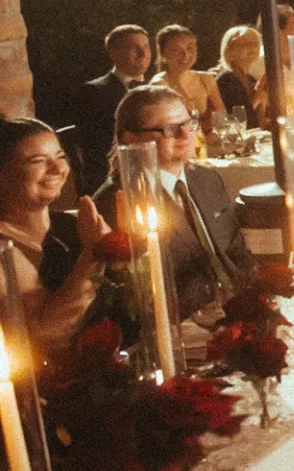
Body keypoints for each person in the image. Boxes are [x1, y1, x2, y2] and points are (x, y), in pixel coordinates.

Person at [92, 86, 251, 322]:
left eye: (188, 124)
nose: (186, 135)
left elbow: (238, 251)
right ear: (130, 138)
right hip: (180, 327)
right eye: (169, 129)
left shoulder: (206, 179)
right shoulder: (117, 202)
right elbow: (129, 301)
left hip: (237, 312)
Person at [0, 118, 112, 351]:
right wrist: (93, 256)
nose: (58, 169)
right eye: (38, 161)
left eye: (60, 157)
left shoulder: (75, 224)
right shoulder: (4, 251)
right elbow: (48, 334)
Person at [73, 25, 152, 193]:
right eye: (134, 48)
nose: (143, 53)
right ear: (113, 53)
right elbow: (95, 153)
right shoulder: (94, 92)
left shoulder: (155, 90)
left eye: (146, 46)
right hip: (116, 182)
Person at [150, 25, 223, 120]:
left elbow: (221, 118)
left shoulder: (205, 78)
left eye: (190, 48)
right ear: (163, 54)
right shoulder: (159, 84)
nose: (185, 55)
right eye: (176, 50)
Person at [213, 26, 264, 126]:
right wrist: (257, 98)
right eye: (246, 44)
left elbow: (258, 124)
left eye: (255, 43)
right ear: (229, 52)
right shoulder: (227, 79)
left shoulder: (250, 79)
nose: (253, 47)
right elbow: (240, 121)